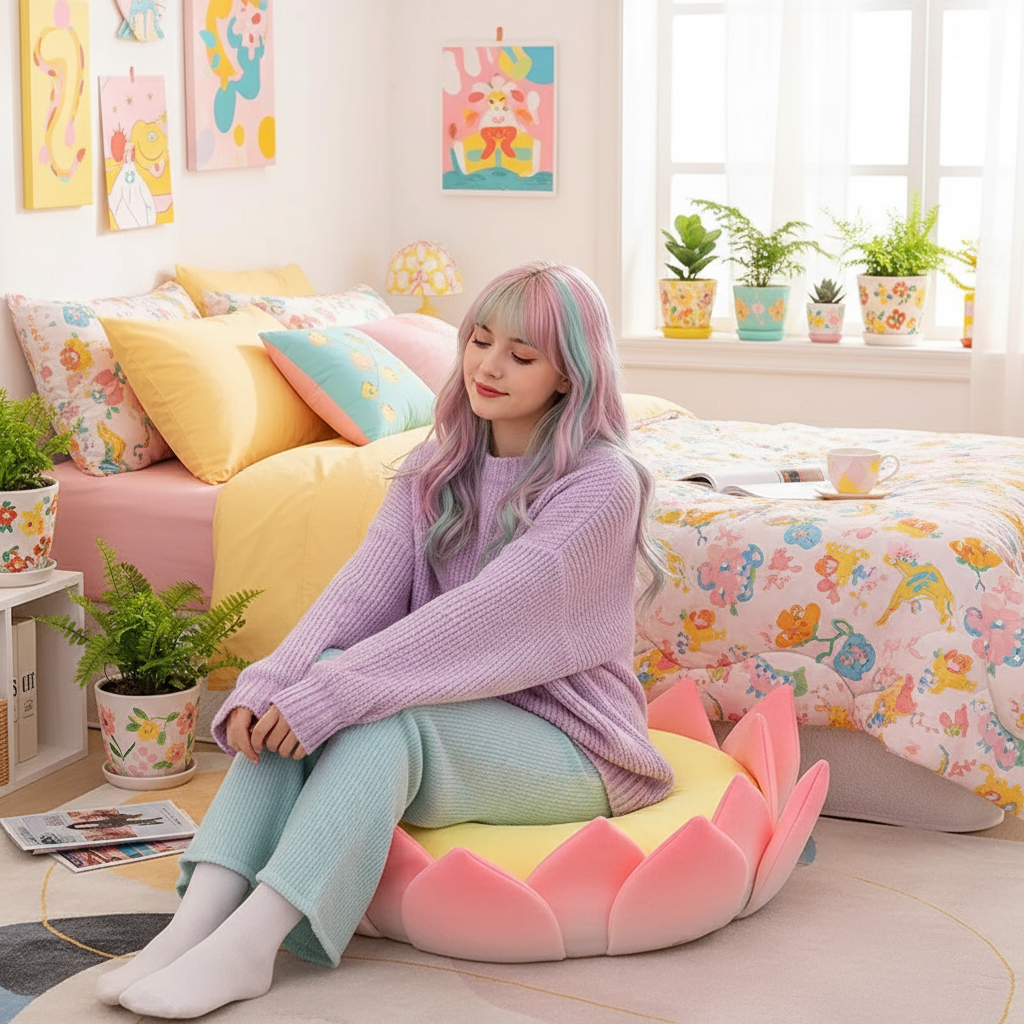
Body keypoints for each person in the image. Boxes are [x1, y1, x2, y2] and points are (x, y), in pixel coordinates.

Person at [97, 261, 674, 1018]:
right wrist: (274, 681)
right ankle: (195, 923)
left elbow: (485, 616)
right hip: (454, 711)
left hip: (572, 737)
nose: (488, 366)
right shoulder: (436, 467)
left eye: (522, 355)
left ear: (571, 374)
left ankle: (252, 945)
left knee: (375, 711)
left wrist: (334, 691)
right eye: (479, 340)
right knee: (323, 686)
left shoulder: (603, 483)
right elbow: (358, 591)